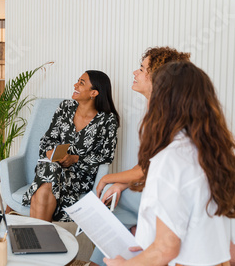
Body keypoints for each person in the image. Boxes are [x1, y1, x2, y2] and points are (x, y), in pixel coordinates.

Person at [104, 61, 235, 265]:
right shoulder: (215, 154)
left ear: (162, 102)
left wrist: (124, 264)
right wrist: (149, 243)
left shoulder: (171, 159)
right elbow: (213, 236)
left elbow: (166, 249)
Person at [90, 46, 190, 265]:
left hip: (175, 198)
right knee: (114, 198)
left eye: (142, 68)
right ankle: (121, 251)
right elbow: (150, 165)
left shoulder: (167, 117)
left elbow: (151, 167)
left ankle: (110, 259)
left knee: (112, 204)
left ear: (159, 77)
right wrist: (123, 184)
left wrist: (109, 178)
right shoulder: (157, 110)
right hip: (163, 188)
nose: (135, 72)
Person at [22, 70, 120, 222]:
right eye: (78, 80)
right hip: (52, 166)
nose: (75, 85)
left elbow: (106, 155)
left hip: (79, 176)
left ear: (94, 92)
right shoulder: (65, 107)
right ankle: (42, 238)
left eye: (81, 83)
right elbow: (48, 139)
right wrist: (50, 153)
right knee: (50, 169)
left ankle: (36, 236)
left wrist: (75, 159)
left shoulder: (107, 120)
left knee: (45, 182)